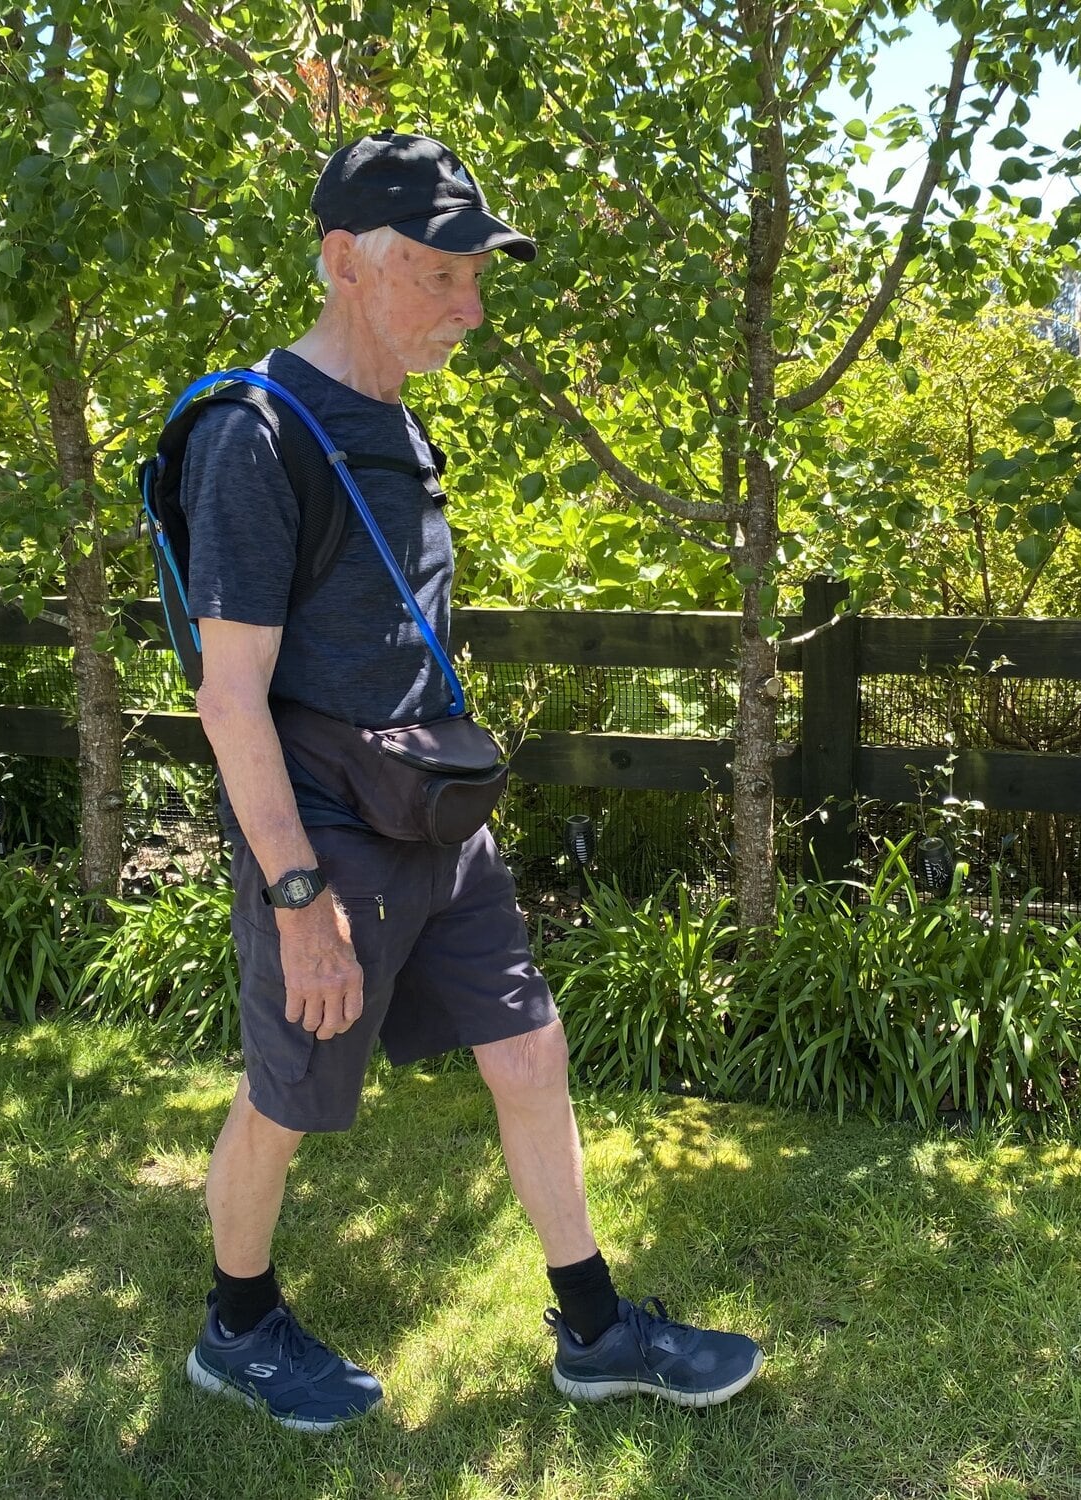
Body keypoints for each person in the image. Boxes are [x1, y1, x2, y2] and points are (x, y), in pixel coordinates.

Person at [178, 130, 764, 1432]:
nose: (471, 307)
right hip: (324, 833)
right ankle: (237, 1326)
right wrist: (297, 899)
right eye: (440, 275)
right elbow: (230, 697)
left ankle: (595, 1331)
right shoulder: (255, 437)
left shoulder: (397, 424)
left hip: (433, 810)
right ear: (345, 261)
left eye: (476, 276)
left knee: (529, 1046)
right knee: (287, 1100)